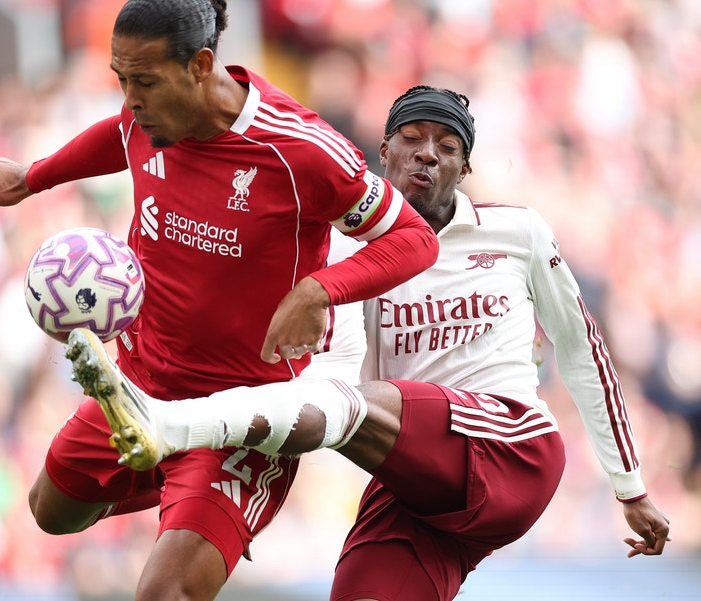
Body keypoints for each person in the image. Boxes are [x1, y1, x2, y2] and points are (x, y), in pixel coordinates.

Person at [62, 85, 671, 601]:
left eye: (448, 146)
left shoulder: (519, 232)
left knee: (360, 403)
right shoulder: (341, 251)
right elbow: (330, 385)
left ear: (465, 168)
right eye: (412, 138)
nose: (427, 153)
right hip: (416, 486)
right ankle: (175, 434)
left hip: (510, 447)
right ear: (384, 152)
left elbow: (582, 349)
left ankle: (169, 425)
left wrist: (631, 487)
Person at [0, 1, 438, 600]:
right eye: (121, 79)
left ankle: (208, 499)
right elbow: (120, 136)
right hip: (140, 387)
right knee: (51, 512)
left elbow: (414, 239)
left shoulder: (301, 151)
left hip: (241, 414)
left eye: (144, 82)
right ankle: (174, 476)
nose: (131, 99)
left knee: (165, 594)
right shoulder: (151, 112)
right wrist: (33, 177)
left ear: (201, 66)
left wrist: (320, 289)